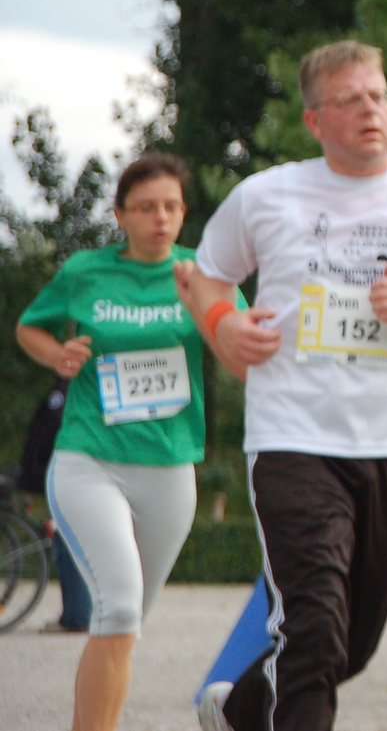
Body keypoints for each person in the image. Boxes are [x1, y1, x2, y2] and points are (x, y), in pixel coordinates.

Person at [180, 40, 387, 731]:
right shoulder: (265, 195)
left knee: (347, 643)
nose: (370, 109)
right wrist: (222, 324)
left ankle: (241, 710)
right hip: (293, 436)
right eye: (350, 99)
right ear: (314, 119)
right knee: (315, 623)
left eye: (378, 94)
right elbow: (207, 274)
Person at [15, 152, 233, 731]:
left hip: (170, 464)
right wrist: (55, 354)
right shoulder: (86, 271)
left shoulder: (201, 272)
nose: (160, 218)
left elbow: (237, 352)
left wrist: (201, 309)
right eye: (146, 207)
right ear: (120, 215)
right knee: (118, 607)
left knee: (127, 623)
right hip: (90, 458)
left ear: (185, 213)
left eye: (172, 207)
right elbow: (29, 325)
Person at [18, 376, 94, 633]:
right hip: (69, 470)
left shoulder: (69, 387)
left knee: (69, 545)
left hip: (68, 470)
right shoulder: (71, 385)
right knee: (71, 544)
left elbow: (50, 428)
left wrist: (35, 470)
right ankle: (79, 614)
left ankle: (77, 617)